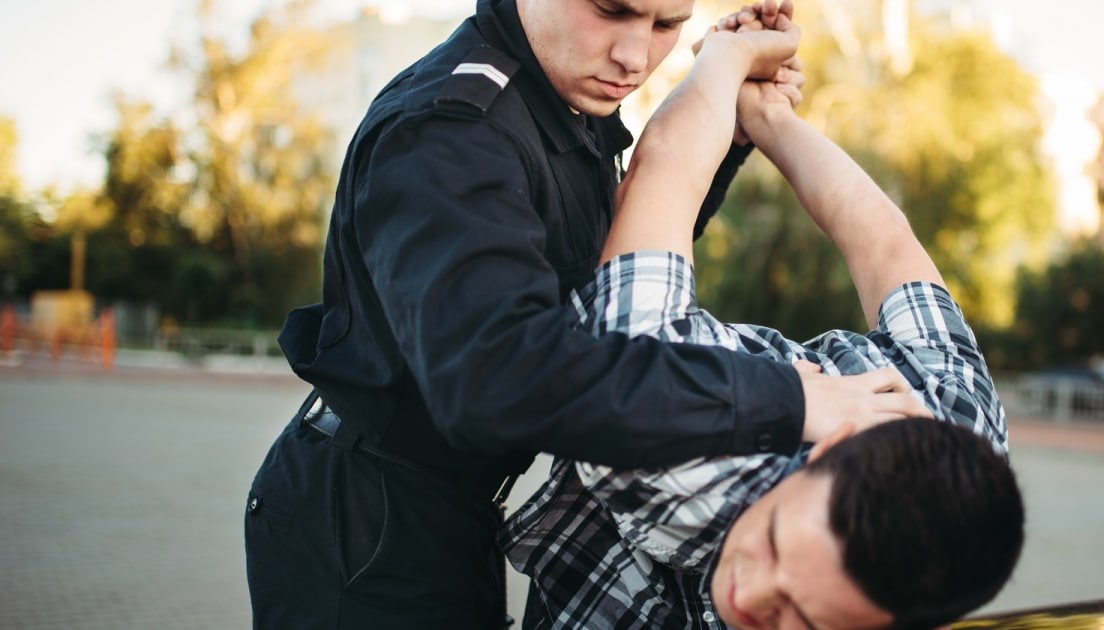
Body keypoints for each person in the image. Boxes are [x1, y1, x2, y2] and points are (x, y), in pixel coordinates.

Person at [242, 0, 931, 626]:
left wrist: (731, 119)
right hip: (364, 521)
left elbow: (608, 279)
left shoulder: (560, 101)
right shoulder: (451, 132)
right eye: (611, 10)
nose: (635, 56)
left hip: (448, 504)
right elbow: (501, 378)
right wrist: (788, 398)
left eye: (667, 25)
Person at [503, 4, 1024, 628]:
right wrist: (768, 116)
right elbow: (881, 239)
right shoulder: (958, 415)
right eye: (774, 539)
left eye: (797, 617)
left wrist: (723, 69)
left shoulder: (672, 464)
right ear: (835, 446)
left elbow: (666, 168)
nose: (748, 598)